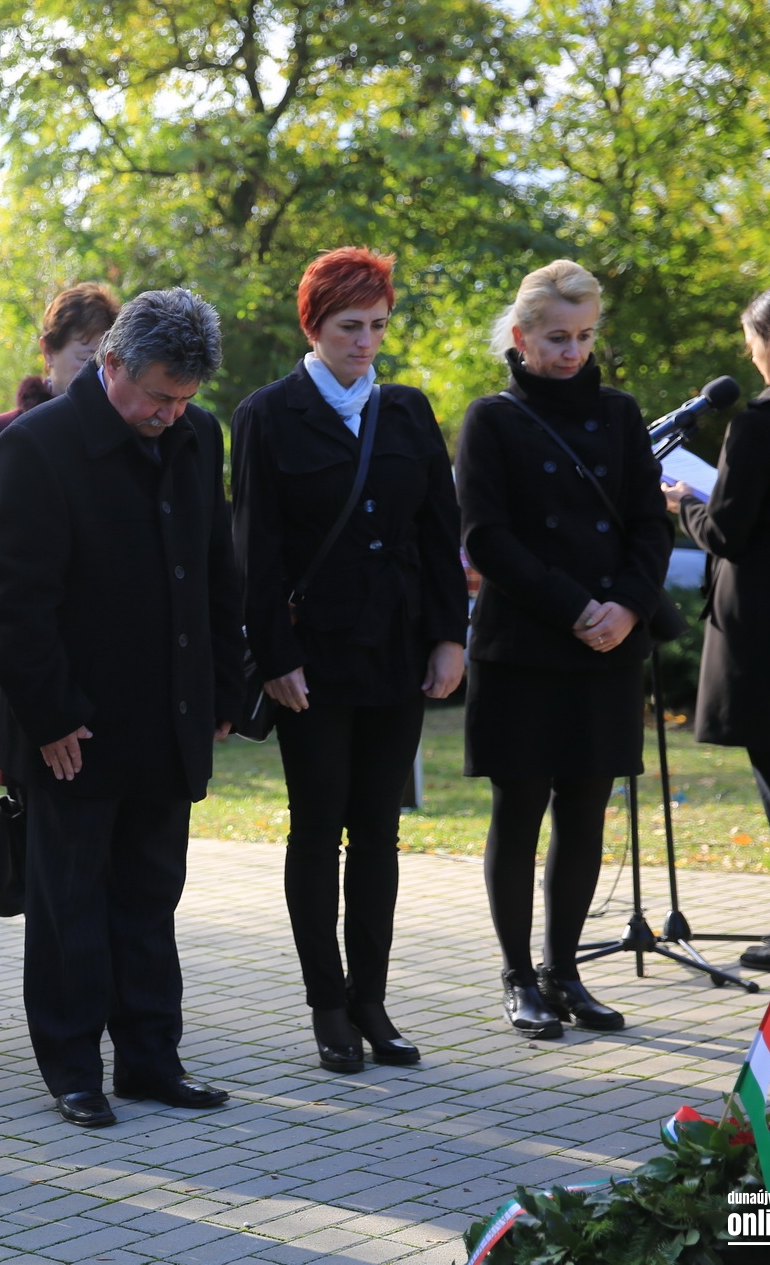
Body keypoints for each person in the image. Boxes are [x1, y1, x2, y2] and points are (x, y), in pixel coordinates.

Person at [0, 288, 243, 1129]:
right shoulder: (37, 444)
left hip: (169, 714)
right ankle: (71, 1069)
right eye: (159, 396)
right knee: (70, 904)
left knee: (151, 896)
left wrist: (223, 686)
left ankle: (152, 1060)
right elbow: (15, 602)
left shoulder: (200, 435)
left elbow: (215, 569)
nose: (170, 415)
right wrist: (53, 714)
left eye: (185, 399)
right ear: (113, 362)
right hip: (76, 727)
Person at [230, 249, 466, 1072]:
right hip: (313, 659)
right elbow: (254, 547)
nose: (365, 342)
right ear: (314, 326)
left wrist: (449, 636)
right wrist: (274, 656)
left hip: (397, 647)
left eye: (377, 326)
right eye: (349, 327)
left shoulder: (407, 410)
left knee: (378, 833)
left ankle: (372, 999)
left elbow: (439, 531)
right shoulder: (268, 413)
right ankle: (327, 1005)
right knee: (317, 828)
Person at [456, 260, 672, 1038]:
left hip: (607, 644)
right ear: (521, 337)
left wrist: (629, 606)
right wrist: (577, 607)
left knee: (585, 810)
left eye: (583, 336)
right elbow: (486, 537)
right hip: (524, 645)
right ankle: (519, 977)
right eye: (556, 338)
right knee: (519, 810)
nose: (572, 352)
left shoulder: (620, 413)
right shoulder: (492, 419)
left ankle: (565, 972)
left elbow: (650, 522)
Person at [666, 282, 770, 973]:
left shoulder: (763, 421)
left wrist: (682, 504)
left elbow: (727, 531)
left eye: (754, 342)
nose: (753, 355)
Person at [0, 284, 120, 528]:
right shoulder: (4, 431)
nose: (97, 372)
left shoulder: (120, 432)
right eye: (85, 359)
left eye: (105, 363)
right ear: (48, 351)